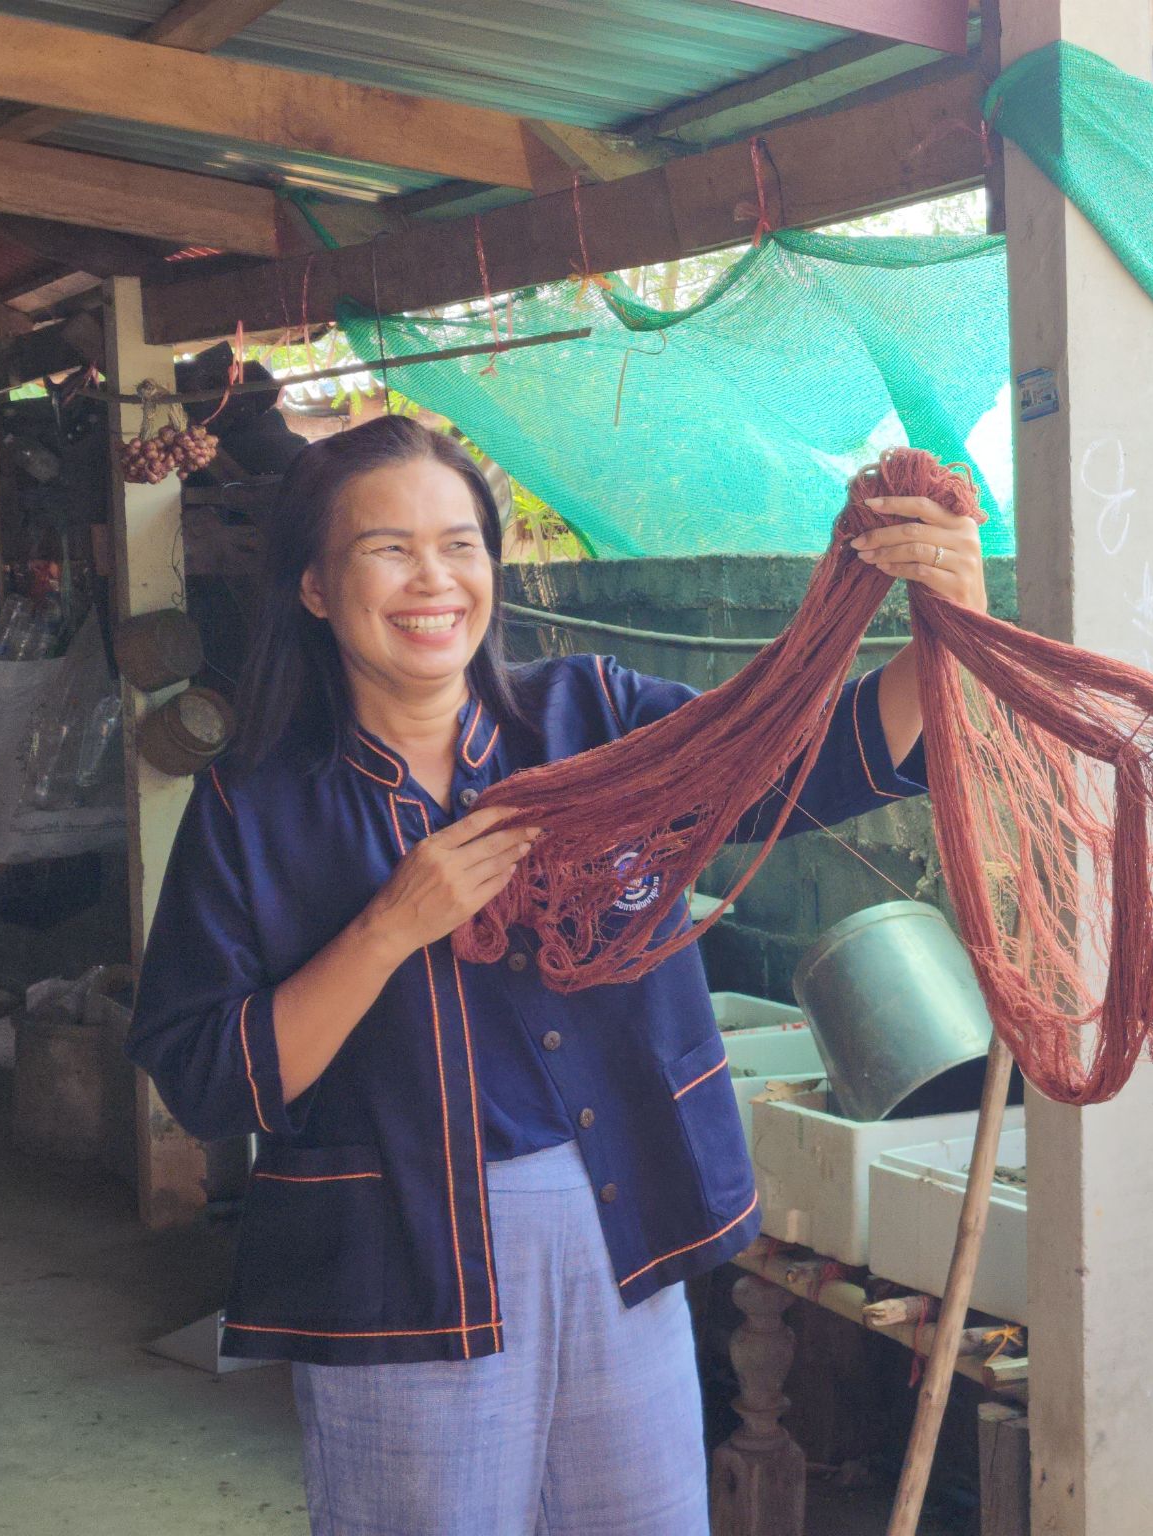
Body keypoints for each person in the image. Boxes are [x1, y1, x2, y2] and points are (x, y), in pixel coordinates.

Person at [129, 415, 983, 1534]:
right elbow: (206, 1077)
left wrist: (949, 620)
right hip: (398, 1262)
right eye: (387, 549)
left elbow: (797, 762)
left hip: (619, 1214)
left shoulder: (595, 718)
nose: (433, 579)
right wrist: (389, 927)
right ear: (314, 588)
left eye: (460, 545)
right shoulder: (252, 804)